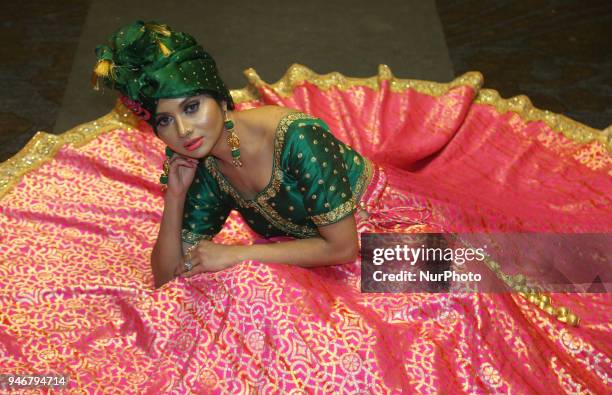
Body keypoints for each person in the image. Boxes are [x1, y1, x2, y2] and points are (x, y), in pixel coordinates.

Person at [0, 19, 609, 393]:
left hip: (379, 229)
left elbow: (345, 247)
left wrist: (237, 254)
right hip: (316, 249)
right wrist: (177, 194)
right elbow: (168, 273)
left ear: (218, 98)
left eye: (193, 107)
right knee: (245, 299)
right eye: (165, 120)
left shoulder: (297, 137)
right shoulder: (204, 163)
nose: (184, 129)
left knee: (469, 310)